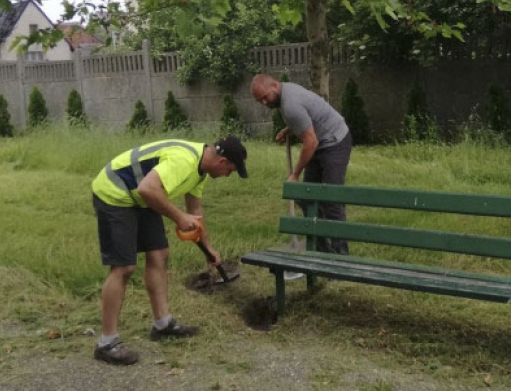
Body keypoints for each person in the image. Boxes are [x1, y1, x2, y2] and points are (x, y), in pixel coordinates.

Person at [90, 136, 248, 365]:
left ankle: (162, 325)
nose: (227, 175)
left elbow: (195, 211)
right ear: (222, 162)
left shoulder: (201, 170)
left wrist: (209, 247)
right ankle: (107, 342)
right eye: (231, 170)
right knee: (124, 267)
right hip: (115, 193)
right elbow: (148, 188)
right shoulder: (184, 160)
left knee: (159, 255)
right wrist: (178, 216)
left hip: (143, 197)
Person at [250, 74, 352, 256]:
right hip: (319, 143)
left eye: (265, 97)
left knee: (332, 200)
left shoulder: (290, 104)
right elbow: (308, 116)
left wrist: (295, 174)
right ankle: (321, 250)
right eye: (259, 101)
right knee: (306, 197)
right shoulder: (285, 95)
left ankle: (340, 257)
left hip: (335, 141)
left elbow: (310, 142)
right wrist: (290, 129)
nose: (264, 103)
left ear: (274, 85)